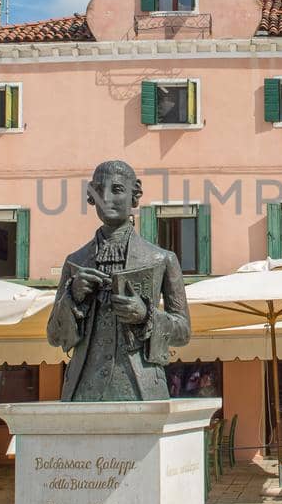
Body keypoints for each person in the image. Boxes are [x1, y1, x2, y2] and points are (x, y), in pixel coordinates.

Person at [47, 160, 192, 401]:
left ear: (135, 195)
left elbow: (183, 332)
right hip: (83, 390)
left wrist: (147, 315)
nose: (107, 198)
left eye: (117, 189)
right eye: (99, 190)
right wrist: (71, 297)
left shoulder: (162, 259)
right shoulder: (75, 261)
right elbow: (54, 335)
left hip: (141, 389)